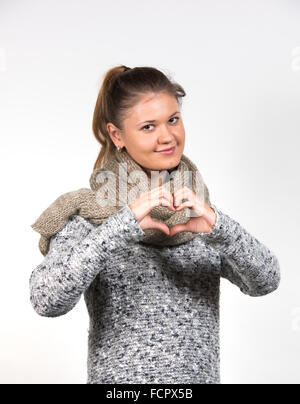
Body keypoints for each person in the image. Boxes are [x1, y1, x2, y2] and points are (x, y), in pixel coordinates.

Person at [29, 65, 281, 384]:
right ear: (117, 135)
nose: (167, 137)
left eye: (173, 119)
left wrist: (221, 227)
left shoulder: (197, 213)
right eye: (148, 126)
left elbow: (266, 281)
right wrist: (122, 226)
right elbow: (46, 299)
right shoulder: (90, 216)